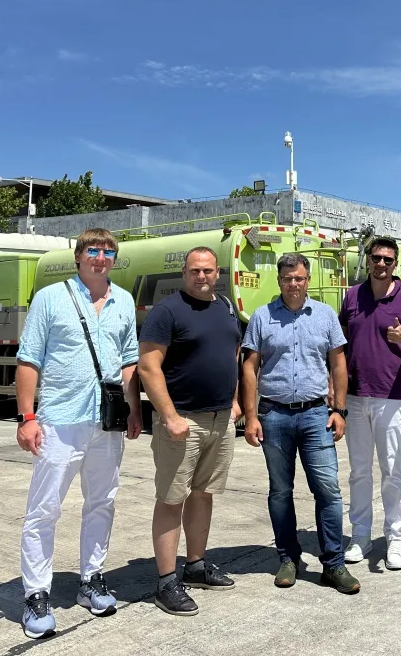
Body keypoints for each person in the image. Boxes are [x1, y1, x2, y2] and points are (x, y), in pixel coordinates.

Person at [15, 228, 142, 640]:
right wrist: (27, 417)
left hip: (106, 423)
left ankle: (91, 579)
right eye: (93, 250)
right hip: (59, 420)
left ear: (114, 259)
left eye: (108, 252)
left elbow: (129, 361)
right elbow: (29, 360)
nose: (100, 258)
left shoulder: (124, 301)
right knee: (44, 509)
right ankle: (36, 594)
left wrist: (134, 409)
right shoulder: (51, 298)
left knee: (102, 502)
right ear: (78, 256)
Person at [241, 253, 361, 594]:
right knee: (280, 491)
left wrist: (339, 410)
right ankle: (288, 558)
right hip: (274, 415)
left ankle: (333, 564)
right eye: (287, 278)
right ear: (279, 281)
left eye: (299, 278)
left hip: (315, 415)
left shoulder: (324, 315)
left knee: (328, 489)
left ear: (307, 280)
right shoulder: (262, 317)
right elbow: (249, 367)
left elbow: (338, 363)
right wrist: (251, 416)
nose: (293, 283)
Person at [138, 247, 242, 617]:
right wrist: (169, 416)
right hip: (182, 421)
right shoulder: (167, 312)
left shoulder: (225, 307)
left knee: (203, 493)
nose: (201, 276)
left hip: (219, 420)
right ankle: (166, 582)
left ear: (218, 273)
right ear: (184, 273)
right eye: (195, 270)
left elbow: (232, 355)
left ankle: (195, 566)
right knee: (172, 499)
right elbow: (148, 366)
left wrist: (234, 401)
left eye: (208, 270)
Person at [339, 237, 401, 570]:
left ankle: (395, 539)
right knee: (359, 471)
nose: (381, 264)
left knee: (392, 470)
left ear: (395, 263)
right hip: (356, 396)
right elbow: (340, 344)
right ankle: (361, 536)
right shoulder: (352, 296)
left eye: (388, 260)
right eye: (376, 258)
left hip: (391, 397)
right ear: (368, 259)